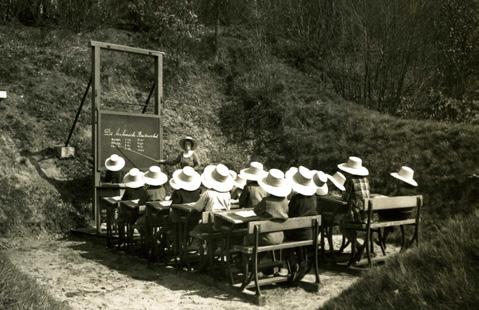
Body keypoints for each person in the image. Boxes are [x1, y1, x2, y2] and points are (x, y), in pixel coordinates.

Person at [285, 166, 318, 281]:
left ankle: (294, 264)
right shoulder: (313, 198)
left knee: (285, 238)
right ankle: (302, 262)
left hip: (298, 234)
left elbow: (289, 215)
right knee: (296, 232)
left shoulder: (296, 199)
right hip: (311, 234)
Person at [337, 156, 371, 263]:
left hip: (357, 215)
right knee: (346, 221)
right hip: (367, 215)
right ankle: (358, 248)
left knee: (342, 225)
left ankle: (358, 246)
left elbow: (345, 199)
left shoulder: (351, 181)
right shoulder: (366, 180)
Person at [249, 169, 291, 246]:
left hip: (266, 236)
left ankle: (244, 258)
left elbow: (256, 211)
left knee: (245, 238)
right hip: (280, 236)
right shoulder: (285, 200)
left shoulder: (266, 201)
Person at [379, 166, 418, 247]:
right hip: (406, 215)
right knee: (389, 214)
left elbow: (390, 200)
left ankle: (382, 238)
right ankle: (383, 239)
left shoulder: (400, 189)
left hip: (396, 215)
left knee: (381, 212)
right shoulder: (413, 191)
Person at [117, 168, 147, 247]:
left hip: (131, 215)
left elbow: (123, 201)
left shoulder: (129, 190)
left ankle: (122, 240)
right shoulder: (144, 190)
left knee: (120, 219)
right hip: (141, 214)